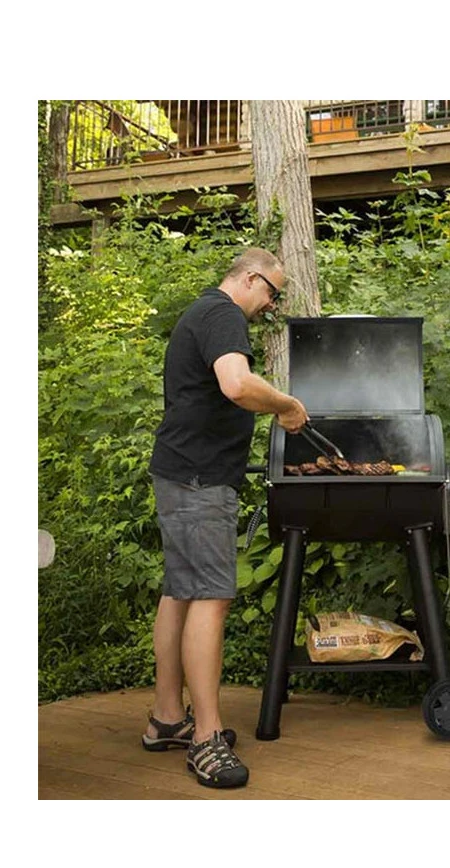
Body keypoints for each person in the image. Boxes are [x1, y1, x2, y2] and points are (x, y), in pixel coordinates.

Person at [144, 248, 308, 788]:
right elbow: (236, 384)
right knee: (211, 597)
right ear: (250, 278)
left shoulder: (201, 311)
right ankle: (206, 738)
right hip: (200, 481)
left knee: (181, 592)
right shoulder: (222, 313)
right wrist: (284, 404)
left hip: (180, 472)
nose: (272, 304)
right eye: (272, 292)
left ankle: (168, 718)